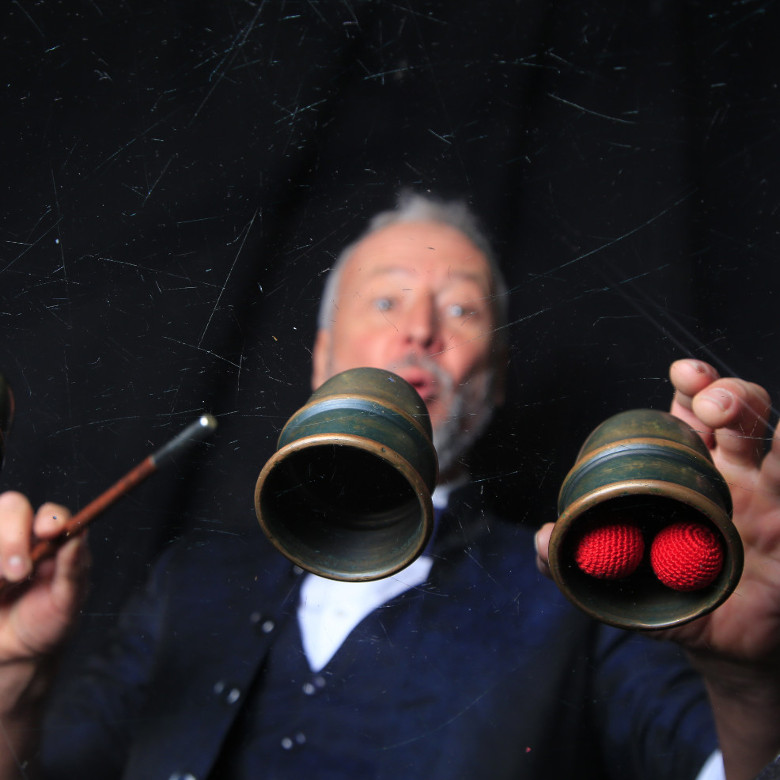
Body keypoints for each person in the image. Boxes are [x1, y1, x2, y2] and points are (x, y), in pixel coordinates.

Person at [0, 193, 779, 780]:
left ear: (496, 376)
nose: (420, 330)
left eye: (461, 308)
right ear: (321, 356)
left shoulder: (582, 587)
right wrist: (13, 677)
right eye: (385, 299)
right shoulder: (190, 582)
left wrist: (752, 684)